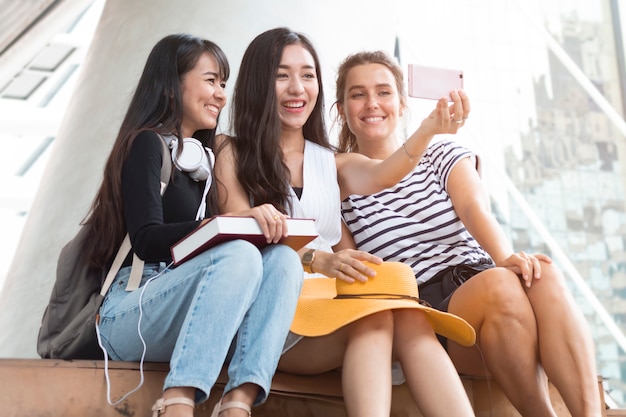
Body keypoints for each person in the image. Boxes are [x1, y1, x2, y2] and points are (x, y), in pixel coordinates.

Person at [214, 27, 476, 417]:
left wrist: (428, 129)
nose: (297, 88)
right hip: (271, 317)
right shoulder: (231, 151)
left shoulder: (331, 163)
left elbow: (387, 172)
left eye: (307, 75)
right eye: (282, 75)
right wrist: (314, 259)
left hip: (329, 310)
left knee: (396, 312)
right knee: (378, 315)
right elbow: (238, 237)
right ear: (258, 82)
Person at [335, 50, 601, 417]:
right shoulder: (340, 181)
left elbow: (475, 209)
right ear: (341, 109)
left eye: (383, 92)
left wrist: (506, 257)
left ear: (401, 102)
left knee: (543, 271)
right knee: (501, 286)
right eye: (357, 94)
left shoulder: (442, 152)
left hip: (483, 279)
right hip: (428, 312)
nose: (371, 104)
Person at [83, 34, 303, 417]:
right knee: (236, 253)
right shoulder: (146, 145)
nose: (220, 94)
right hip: (130, 310)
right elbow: (147, 240)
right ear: (172, 85)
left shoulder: (206, 159)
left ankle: (238, 402)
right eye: (210, 80)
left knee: (283, 259)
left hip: (195, 311)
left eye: (223, 84)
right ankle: (177, 402)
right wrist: (228, 222)